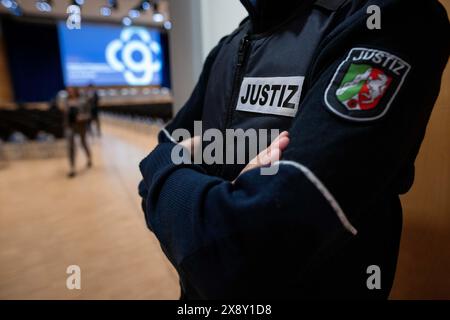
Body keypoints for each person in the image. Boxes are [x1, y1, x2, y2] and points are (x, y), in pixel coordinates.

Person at [138, 0, 449, 299]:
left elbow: (242, 254)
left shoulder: (391, 16)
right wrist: (214, 195)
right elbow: (157, 160)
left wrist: (177, 176)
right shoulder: (228, 46)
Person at [65, 87, 92, 178]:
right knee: (71, 147)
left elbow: (89, 114)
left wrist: (82, 117)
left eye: (71, 90)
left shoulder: (83, 100)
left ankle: (89, 158)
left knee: (83, 143)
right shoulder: (66, 101)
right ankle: (72, 168)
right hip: (70, 126)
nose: (70, 92)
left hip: (81, 125)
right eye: (68, 90)